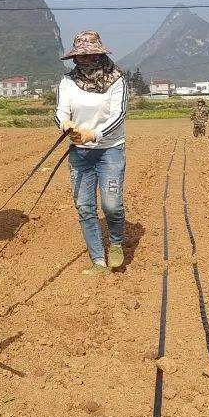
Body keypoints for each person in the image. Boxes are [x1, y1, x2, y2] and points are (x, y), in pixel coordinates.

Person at [55, 31, 127, 276]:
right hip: (80, 154)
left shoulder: (116, 79)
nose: (85, 60)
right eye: (80, 56)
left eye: (90, 55)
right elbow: (61, 112)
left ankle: (116, 242)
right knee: (85, 207)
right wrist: (67, 126)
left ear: (99, 53)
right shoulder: (67, 81)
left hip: (110, 151)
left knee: (112, 205)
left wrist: (93, 134)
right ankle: (98, 261)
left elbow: (118, 115)